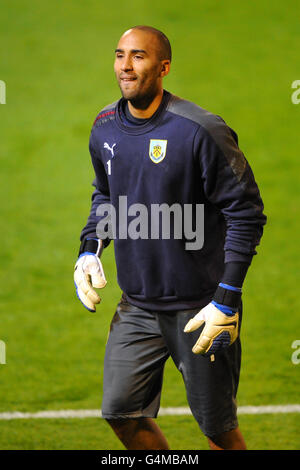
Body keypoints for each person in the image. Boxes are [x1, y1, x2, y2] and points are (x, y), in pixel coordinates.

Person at [74, 25, 267, 450]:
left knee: (217, 429)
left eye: (138, 57)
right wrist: (90, 247)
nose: (125, 66)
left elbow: (246, 213)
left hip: (201, 308)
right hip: (137, 305)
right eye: (120, 54)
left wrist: (227, 299)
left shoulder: (200, 130)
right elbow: (105, 194)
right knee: (120, 411)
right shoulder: (104, 127)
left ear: (163, 68)